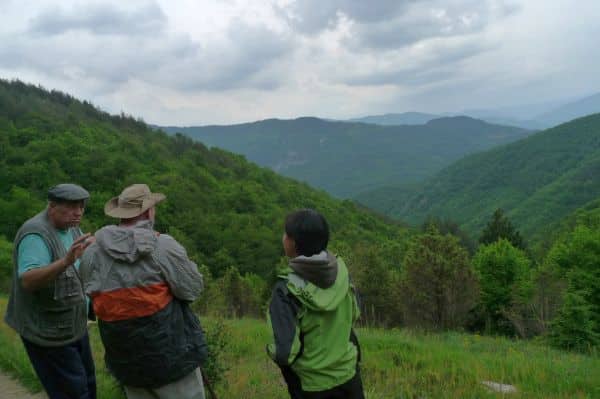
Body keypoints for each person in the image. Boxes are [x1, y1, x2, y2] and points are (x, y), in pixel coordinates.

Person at [79, 184, 207, 399]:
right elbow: (192, 289)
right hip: (172, 358)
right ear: (148, 212)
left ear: (121, 214)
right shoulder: (161, 246)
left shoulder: (92, 253)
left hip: (126, 362)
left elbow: (90, 294)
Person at [5, 183, 97, 399]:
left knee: (88, 384)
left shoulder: (71, 226)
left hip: (73, 325)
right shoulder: (35, 234)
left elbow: (79, 260)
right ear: (52, 206)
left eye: (82, 206)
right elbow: (28, 280)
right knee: (73, 392)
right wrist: (65, 261)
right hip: (48, 333)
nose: (79, 212)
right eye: (73, 206)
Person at [267, 209, 365, 399]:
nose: (283, 237)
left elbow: (284, 353)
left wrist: (270, 349)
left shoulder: (286, 290)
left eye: (286, 233)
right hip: (349, 377)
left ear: (292, 243)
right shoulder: (342, 274)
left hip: (312, 386)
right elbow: (355, 312)